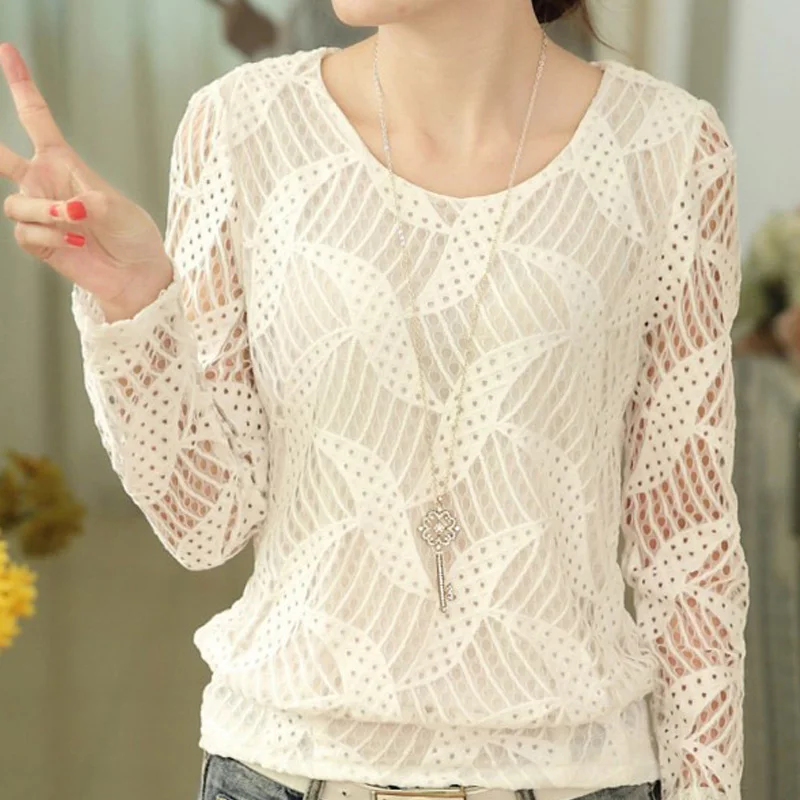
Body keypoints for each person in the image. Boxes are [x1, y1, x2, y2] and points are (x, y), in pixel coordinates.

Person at [0, 1, 749, 799]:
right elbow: (205, 522)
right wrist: (133, 303)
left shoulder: (668, 150)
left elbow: (688, 548)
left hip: (578, 773)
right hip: (280, 769)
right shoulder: (243, 126)